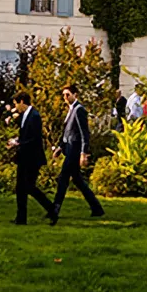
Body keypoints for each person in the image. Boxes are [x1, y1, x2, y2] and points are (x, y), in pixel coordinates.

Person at [51, 85, 105, 222]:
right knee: (78, 181)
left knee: (63, 179)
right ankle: (96, 208)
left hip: (74, 152)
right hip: (68, 149)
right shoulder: (71, 110)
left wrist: (83, 153)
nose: (65, 97)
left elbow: (84, 133)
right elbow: (67, 133)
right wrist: (60, 147)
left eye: (67, 94)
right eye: (63, 95)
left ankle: (54, 209)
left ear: (75, 94)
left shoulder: (79, 110)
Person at [8, 93, 56, 225]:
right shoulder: (25, 116)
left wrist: (18, 144)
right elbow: (25, 136)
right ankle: (21, 218)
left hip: (33, 157)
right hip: (24, 156)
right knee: (20, 188)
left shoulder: (34, 116)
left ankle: (52, 208)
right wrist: (16, 140)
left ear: (22, 102)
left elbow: (35, 139)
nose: (15, 107)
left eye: (16, 104)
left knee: (29, 186)